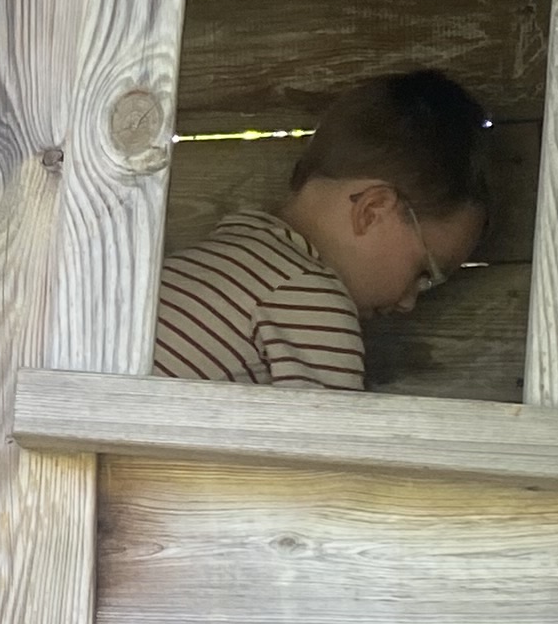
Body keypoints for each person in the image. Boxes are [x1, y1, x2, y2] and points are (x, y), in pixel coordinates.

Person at [151, 68, 489, 390]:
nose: (409, 303)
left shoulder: (241, 249)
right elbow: (326, 449)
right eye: (424, 271)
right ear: (372, 211)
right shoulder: (312, 298)